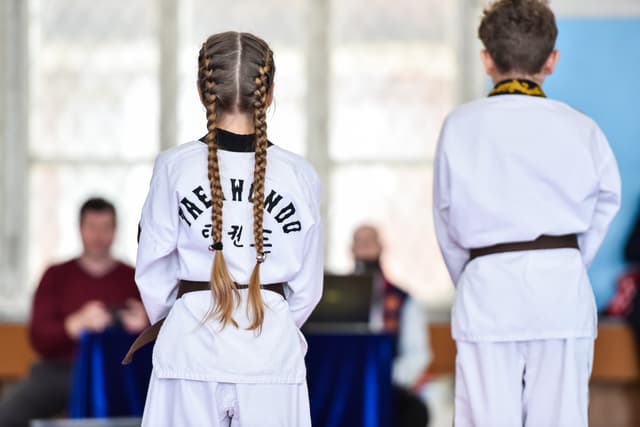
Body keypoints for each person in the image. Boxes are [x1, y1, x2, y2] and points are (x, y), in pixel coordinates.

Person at [432, 1, 621, 426]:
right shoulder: (582, 128)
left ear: (486, 59)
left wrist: (477, 276)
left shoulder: (460, 126)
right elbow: (606, 204)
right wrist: (566, 262)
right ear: (551, 61)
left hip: (487, 288)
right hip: (560, 288)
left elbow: (445, 222)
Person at [131, 32, 323, 427]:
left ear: (203, 92)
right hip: (270, 348)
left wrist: (188, 314)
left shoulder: (173, 166)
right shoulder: (299, 174)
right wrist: (269, 317)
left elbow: (151, 269)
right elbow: (307, 288)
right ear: (268, 93)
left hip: (190, 348)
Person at [0, 197, 148, 427]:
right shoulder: (56, 275)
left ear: (115, 230)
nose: (98, 236)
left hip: (119, 372)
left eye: (105, 228)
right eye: (92, 227)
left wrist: (144, 326)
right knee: (7, 415)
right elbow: (38, 337)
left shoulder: (135, 278)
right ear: (80, 229)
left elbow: (162, 339)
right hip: (62, 370)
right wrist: (75, 324)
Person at [351, 225, 431, 427]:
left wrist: (383, 377)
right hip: (346, 385)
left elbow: (418, 354)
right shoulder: (334, 298)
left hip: (388, 386)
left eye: (369, 242)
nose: (364, 249)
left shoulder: (403, 301)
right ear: (351, 250)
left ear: (380, 247)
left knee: (414, 412)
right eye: (359, 243)